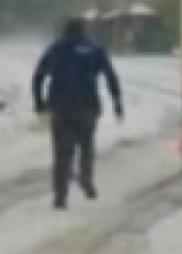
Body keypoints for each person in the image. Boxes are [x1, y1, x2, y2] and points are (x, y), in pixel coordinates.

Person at [32, 18, 124, 209]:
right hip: (87, 106)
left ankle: (60, 195)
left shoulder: (55, 49)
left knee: (61, 153)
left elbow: (38, 76)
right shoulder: (94, 49)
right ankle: (85, 177)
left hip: (60, 107)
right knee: (86, 146)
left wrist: (39, 104)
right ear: (84, 30)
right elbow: (110, 75)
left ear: (65, 30)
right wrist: (117, 102)